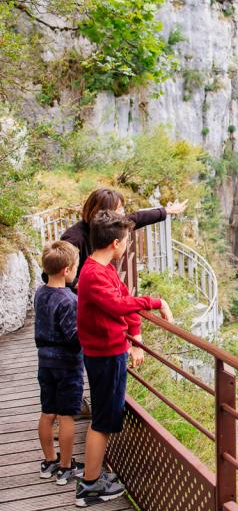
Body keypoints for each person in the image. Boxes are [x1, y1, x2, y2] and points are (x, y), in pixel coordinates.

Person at [75, 210, 174, 507]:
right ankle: (89, 486)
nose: (129, 245)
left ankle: (93, 476)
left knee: (106, 418)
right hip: (104, 355)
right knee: (103, 421)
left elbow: (123, 300)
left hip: (111, 351)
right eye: (128, 240)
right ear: (116, 243)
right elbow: (119, 304)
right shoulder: (93, 274)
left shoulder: (101, 269)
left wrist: (136, 337)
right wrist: (157, 302)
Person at [48, 188, 188, 290]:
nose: (122, 214)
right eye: (119, 210)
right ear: (104, 212)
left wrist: (166, 211)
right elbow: (50, 273)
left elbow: (137, 218)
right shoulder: (74, 238)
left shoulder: (106, 226)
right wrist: (79, 285)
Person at [35, 240, 84, 485]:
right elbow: (74, 339)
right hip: (67, 365)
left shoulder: (40, 292)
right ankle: (66, 466)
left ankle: (49, 461)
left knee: (47, 413)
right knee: (66, 417)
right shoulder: (68, 300)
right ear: (67, 270)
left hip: (45, 363)